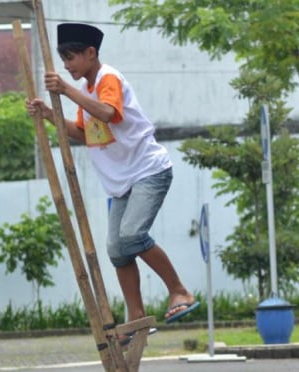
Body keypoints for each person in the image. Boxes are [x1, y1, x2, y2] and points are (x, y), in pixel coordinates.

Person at [26, 23, 199, 327]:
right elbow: (82, 132)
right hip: (123, 183)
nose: (66, 65)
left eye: (71, 57)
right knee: (117, 249)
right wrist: (49, 115)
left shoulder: (108, 79)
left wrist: (64, 90)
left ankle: (179, 290)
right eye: (63, 58)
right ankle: (136, 316)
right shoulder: (85, 90)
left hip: (148, 170)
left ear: (91, 53)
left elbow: (108, 113)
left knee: (132, 235)